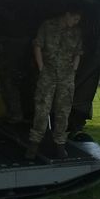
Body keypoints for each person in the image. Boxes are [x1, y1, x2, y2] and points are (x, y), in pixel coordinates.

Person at [25, 8, 84, 160]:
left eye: (78, 20)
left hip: (66, 76)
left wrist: (74, 69)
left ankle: (60, 146)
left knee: (63, 111)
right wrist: (41, 67)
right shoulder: (48, 25)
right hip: (48, 74)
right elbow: (37, 45)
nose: (76, 22)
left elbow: (78, 52)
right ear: (67, 14)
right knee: (42, 109)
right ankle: (34, 145)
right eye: (75, 18)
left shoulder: (76, 32)